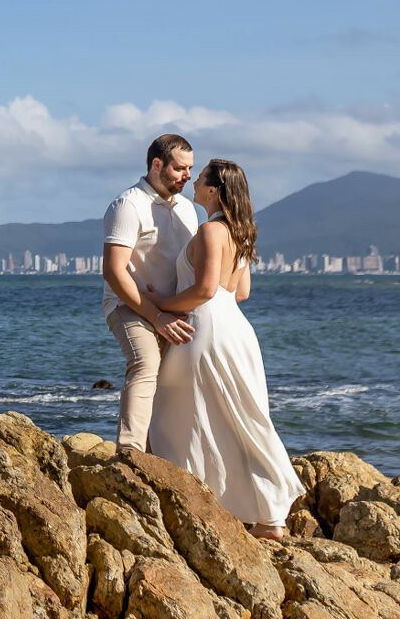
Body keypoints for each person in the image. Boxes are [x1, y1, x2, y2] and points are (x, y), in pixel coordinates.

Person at [141, 158, 304, 539]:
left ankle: (204, 503)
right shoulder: (242, 232)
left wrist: (158, 303)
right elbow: (241, 292)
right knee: (239, 418)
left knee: (179, 418)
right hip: (237, 330)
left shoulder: (212, 230)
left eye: (199, 179)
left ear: (213, 190)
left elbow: (205, 290)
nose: (193, 183)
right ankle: (267, 516)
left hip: (205, 329)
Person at [101, 134, 200, 452]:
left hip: (173, 309)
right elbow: (114, 271)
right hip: (128, 304)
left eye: (191, 169)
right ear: (157, 164)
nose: (188, 176)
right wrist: (156, 316)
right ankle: (129, 454)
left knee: (179, 379)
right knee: (145, 363)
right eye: (180, 168)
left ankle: (163, 453)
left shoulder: (188, 208)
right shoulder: (128, 205)